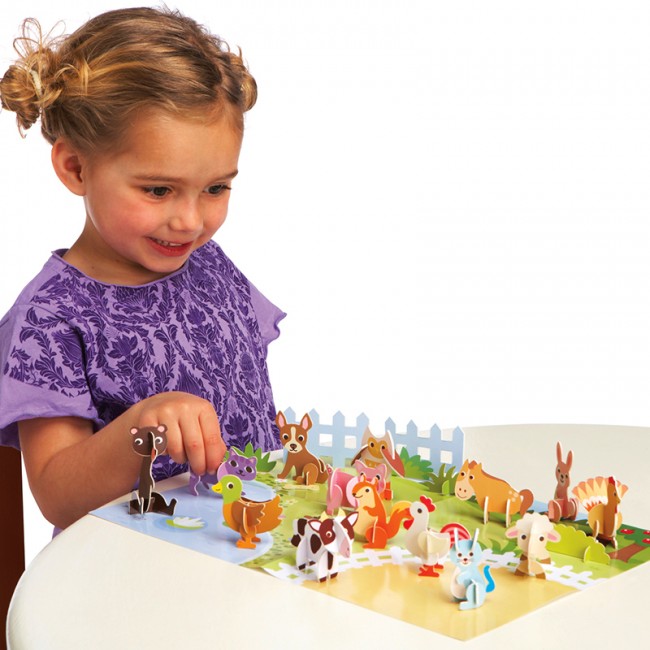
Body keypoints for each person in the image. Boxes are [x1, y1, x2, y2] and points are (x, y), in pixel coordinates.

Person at [0, 7, 285, 530]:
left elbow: (248, 398)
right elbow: (58, 495)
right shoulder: (50, 317)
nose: (191, 221)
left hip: (251, 544)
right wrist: (142, 426)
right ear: (76, 167)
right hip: (134, 569)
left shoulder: (208, 264)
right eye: (158, 189)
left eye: (216, 188)